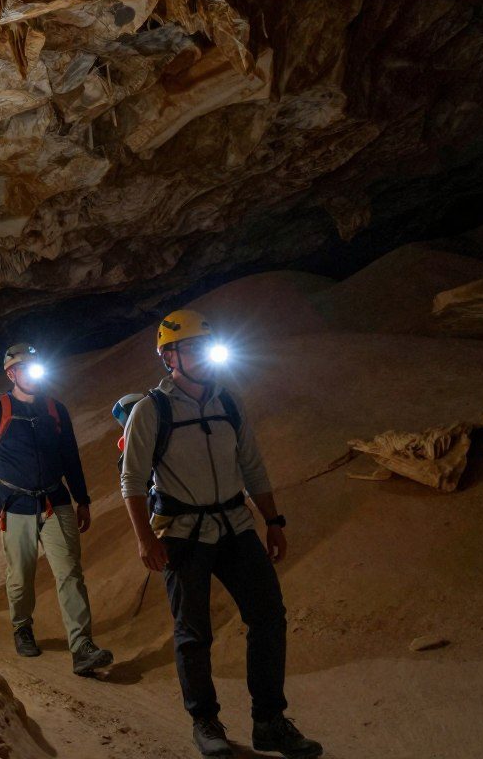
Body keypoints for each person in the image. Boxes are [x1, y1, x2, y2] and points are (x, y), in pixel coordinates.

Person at [119, 310, 322, 759]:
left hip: (235, 527)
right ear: (168, 356)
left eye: (205, 346)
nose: (203, 356)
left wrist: (274, 520)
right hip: (183, 533)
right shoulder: (150, 410)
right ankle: (204, 721)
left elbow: (252, 465)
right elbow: (132, 481)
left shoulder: (228, 402)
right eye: (191, 347)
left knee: (268, 616)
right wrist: (144, 539)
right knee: (193, 631)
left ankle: (269, 722)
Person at [0, 343, 113, 675]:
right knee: (21, 575)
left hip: (55, 502)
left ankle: (82, 648)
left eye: (36, 366)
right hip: (13, 505)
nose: (32, 372)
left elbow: (70, 459)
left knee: (70, 573)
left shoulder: (55, 410)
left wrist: (83, 499)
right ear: (11, 374)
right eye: (24, 367)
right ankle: (22, 627)